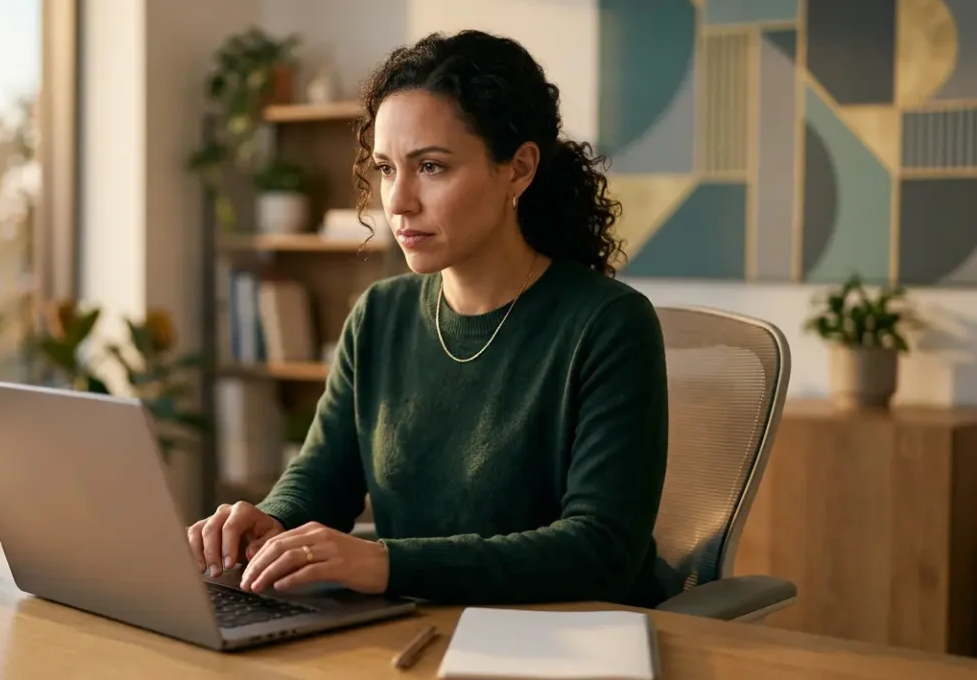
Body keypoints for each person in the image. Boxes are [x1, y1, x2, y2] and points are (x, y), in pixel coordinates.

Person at [187, 29, 672, 608]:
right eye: (387, 169)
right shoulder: (378, 316)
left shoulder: (608, 324)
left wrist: (386, 563)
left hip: (569, 640)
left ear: (518, 169)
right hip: (418, 629)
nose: (398, 202)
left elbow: (599, 551)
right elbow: (322, 477)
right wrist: (270, 521)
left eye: (432, 167)